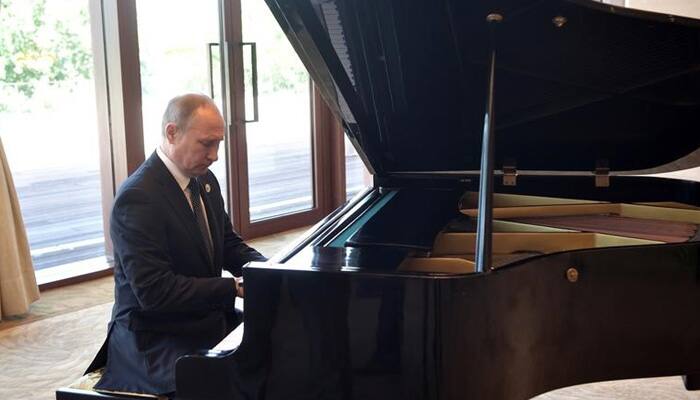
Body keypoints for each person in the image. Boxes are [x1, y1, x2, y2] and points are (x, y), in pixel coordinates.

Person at [91, 93, 266, 396]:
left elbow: (227, 244)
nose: (214, 155)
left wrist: (270, 270)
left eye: (218, 144)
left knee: (277, 346)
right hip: (155, 336)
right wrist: (233, 287)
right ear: (172, 133)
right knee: (218, 384)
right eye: (206, 144)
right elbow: (155, 292)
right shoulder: (139, 197)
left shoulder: (205, 181)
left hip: (203, 319)